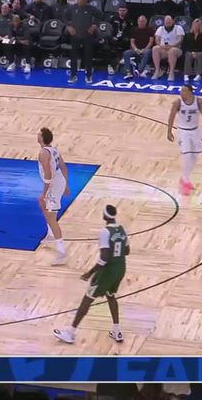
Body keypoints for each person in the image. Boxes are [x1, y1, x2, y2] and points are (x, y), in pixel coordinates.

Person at [53, 204, 128, 344]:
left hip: (107, 272)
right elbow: (127, 251)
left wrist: (90, 272)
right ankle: (117, 331)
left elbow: (104, 257)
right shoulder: (122, 229)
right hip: (120, 269)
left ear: (105, 215)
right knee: (111, 296)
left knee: (87, 299)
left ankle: (70, 333)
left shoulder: (105, 232)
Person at [167, 84, 202, 195]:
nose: (181, 93)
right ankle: (185, 181)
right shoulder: (178, 103)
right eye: (181, 90)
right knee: (187, 154)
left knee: (194, 156)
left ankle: (185, 177)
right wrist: (169, 131)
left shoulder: (199, 102)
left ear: (190, 92)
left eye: (184, 91)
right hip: (183, 131)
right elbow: (171, 117)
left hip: (195, 131)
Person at [38, 127, 69, 265]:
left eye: (39, 134)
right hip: (58, 181)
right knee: (43, 206)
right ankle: (50, 234)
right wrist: (65, 184)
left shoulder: (44, 153)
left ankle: (62, 253)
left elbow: (48, 174)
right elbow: (63, 167)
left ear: (42, 138)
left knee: (52, 218)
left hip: (53, 185)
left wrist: (44, 193)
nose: (37, 135)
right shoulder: (54, 149)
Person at [66, 0, 101, 84]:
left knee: (88, 56)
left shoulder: (91, 8)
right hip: (75, 35)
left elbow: (100, 15)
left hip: (87, 35)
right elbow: (65, 18)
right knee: (73, 56)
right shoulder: (72, 8)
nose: (80, 1)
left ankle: (88, 76)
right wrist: (68, 27)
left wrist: (94, 25)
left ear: (85, 0)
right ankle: (73, 75)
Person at [152, 15, 185, 80]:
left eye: (169, 22)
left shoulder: (178, 28)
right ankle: (157, 70)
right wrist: (161, 46)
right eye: (166, 22)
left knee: (172, 51)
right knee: (155, 48)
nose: (168, 23)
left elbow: (180, 40)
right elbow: (157, 40)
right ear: (164, 22)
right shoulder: (160, 28)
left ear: (172, 21)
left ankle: (171, 72)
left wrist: (172, 46)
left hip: (176, 49)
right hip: (164, 49)